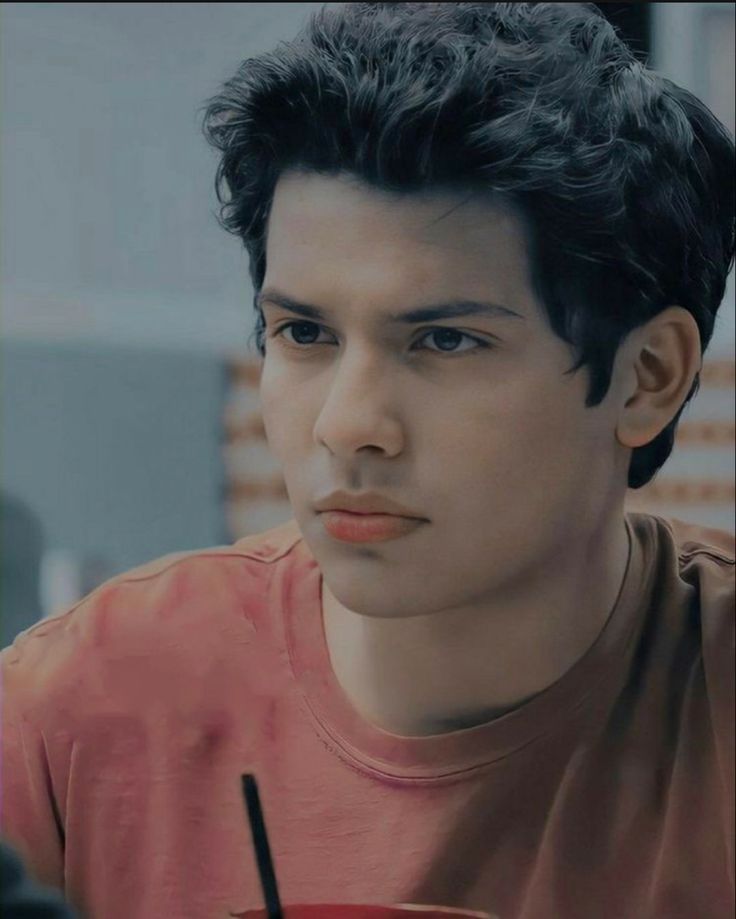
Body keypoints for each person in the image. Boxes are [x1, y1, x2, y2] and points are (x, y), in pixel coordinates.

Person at [2, 4, 734, 918]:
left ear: (648, 378)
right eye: (303, 332)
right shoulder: (72, 708)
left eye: (446, 341)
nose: (347, 426)